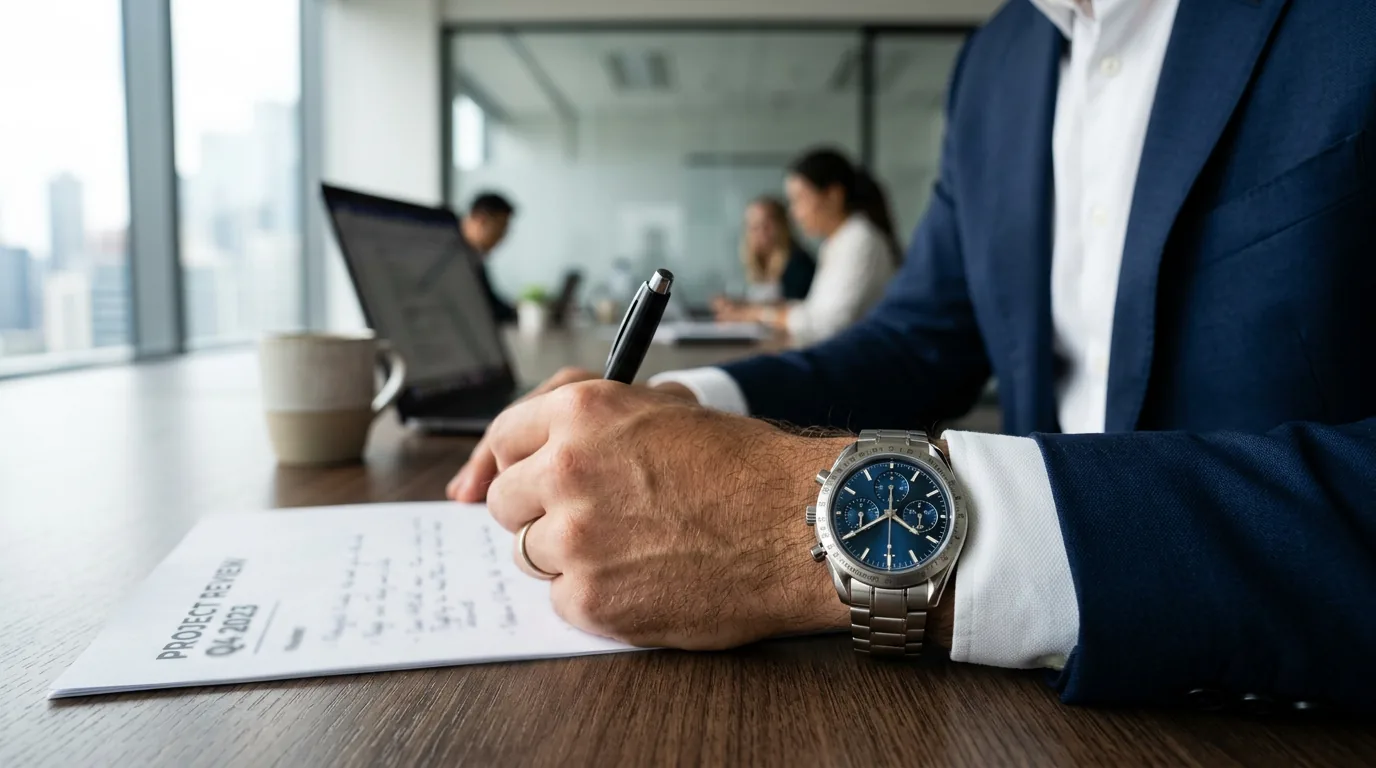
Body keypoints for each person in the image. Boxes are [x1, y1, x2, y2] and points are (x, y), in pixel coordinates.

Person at [447, 0, 1376, 712]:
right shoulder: (1004, 58)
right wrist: (674, 403)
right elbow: (918, 343)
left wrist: (800, 527)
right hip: (1019, 708)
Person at [717, 149, 900, 345]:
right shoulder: (837, 242)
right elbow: (815, 312)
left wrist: (759, 314)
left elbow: (826, 324)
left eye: (799, 199)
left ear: (833, 196)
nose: (794, 214)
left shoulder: (860, 239)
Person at [712, 197, 815, 320]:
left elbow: (796, 309)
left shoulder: (798, 263)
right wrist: (736, 305)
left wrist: (745, 311)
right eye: (753, 227)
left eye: (766, 225)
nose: (760, 233)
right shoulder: (759, 263)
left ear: (782, 226)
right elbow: (767, 303)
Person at [460, 191, 517, 324]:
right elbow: (485, 309)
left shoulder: (472, 257)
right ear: (481, 221)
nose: (502, 237)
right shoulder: (454, 258)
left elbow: (491, 302)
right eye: (501, 228)